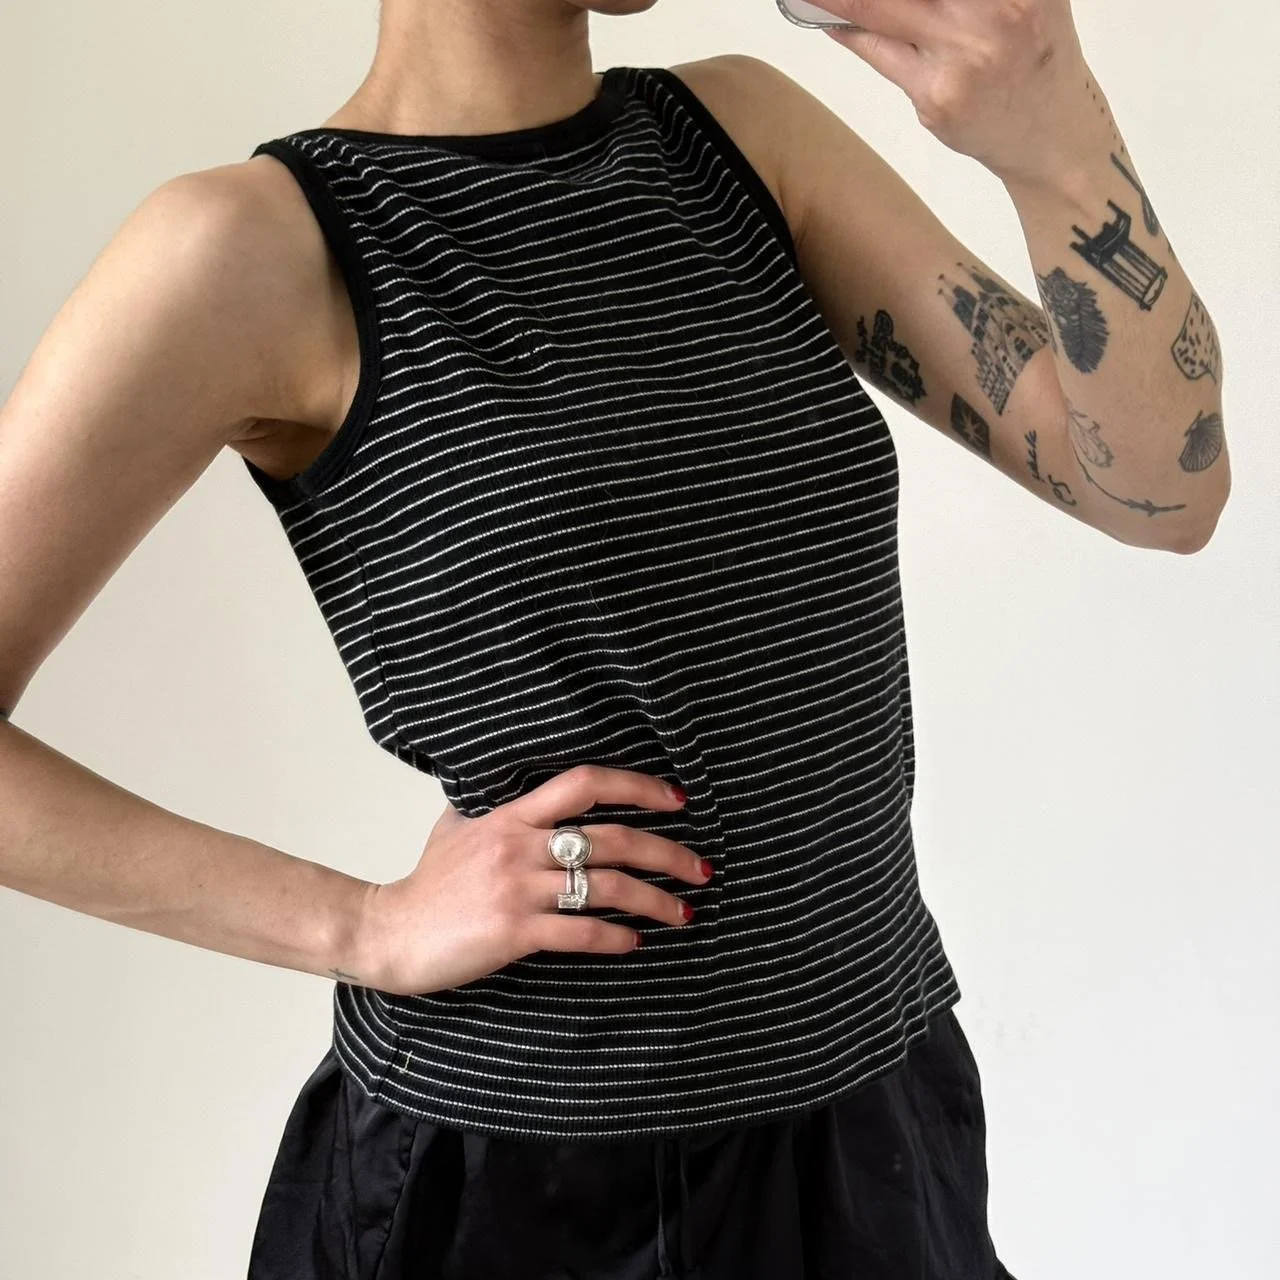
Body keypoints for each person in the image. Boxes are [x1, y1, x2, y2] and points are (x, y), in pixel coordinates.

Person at [0, 0, 1228, 1277]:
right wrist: (360, 923)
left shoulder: (738, 137)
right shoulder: (253, 247)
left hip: (870, 1108)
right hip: (529, 1180)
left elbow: (1159, 493)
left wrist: (1053, 131)